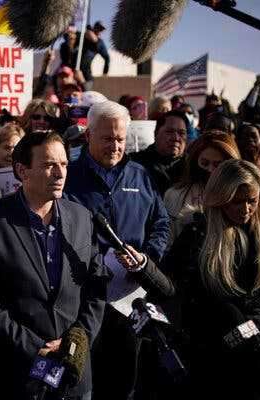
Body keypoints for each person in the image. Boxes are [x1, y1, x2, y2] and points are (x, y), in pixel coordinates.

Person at [0, 131, 109, 399]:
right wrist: (35, 346)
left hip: (73, 372)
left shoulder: (81, 217)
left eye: (64, 164)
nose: (59, 173)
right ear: (22, 170)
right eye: (48, 165)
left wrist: (76, 339)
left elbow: (96, 285)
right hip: (14, 371)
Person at [162, 159, 260, 400]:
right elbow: (173, 289)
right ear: (220, 197)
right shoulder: (197, 235)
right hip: (211, 358)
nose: (245, 209)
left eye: (252, 201)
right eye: (237, 201)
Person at [63, 101, 173, 400]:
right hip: (84, 300)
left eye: (120, 139)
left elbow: (161, 223)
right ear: (89, 136)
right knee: (83, 383)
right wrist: (98, 262)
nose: (115, 145)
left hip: (131, 300)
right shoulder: (67, 177)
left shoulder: (141, 175)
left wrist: (147, 258)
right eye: (107, 138)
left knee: (125, 383)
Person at [163, 132, 240, 244]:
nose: (210, 169)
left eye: (218, 164)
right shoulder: (175, 195)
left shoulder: (241, 195)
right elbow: (167, 239)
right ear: (195, 161)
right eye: (205, 163)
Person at [131, 110, 188, 196]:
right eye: (169, 132)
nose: (176, 138)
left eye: (181, 133)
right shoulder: (135, 164)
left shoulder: (192, 166)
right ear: (156, 133)